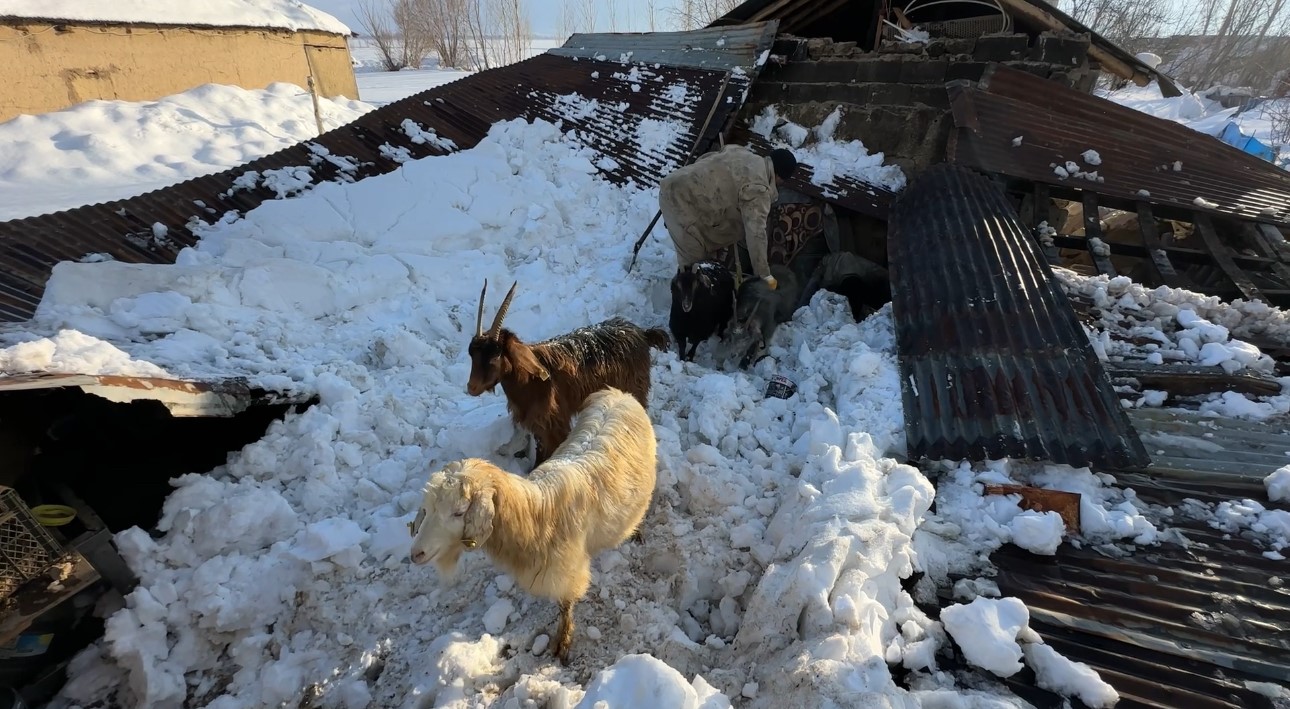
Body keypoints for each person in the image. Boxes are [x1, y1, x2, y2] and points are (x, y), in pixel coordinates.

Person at [659, 144, 798, 290]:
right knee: (692, 272)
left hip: (675, 184)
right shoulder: (759, 189)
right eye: (783, 181)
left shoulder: (742, 153)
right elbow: (756, 234)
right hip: (682, 206)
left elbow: (705, 157)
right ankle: (683, 306)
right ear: (778, 176)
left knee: (698, 266)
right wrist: (764, 276)